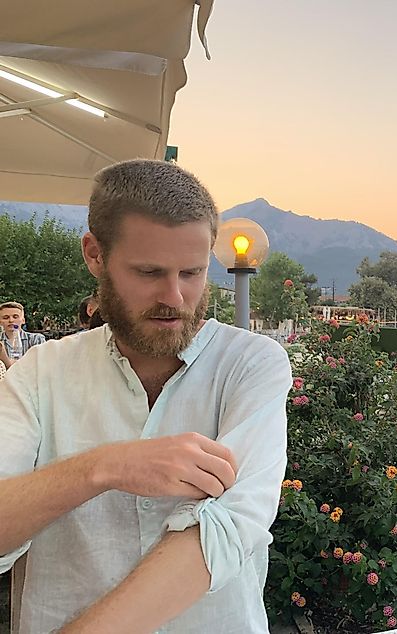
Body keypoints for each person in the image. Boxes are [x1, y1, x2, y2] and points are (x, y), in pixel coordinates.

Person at [0, 159, 292, 633]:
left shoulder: (251, 364)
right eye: (149, 272)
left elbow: (227, 528)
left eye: (192, 273)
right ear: (95, 254)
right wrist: (106, 467)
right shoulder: (41, 372)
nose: (175, 296)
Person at [0, 301, 46, 366]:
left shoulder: (36, 339)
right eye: (6, 317)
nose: (11, 320)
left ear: (23, 320)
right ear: (0, 322)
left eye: (15, 317)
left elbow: (41, 364)